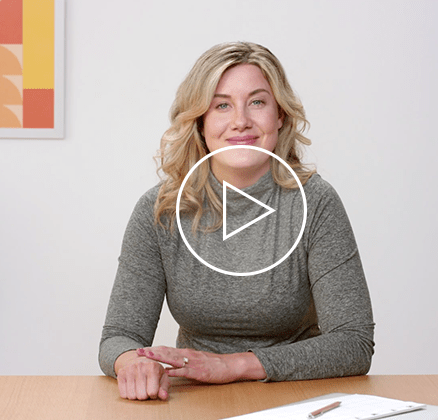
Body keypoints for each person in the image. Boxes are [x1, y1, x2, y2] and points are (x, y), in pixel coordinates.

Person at [99, 41, 374, 401]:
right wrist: (132, 362)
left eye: (257, 102)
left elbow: (353, 343)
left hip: (300, 396)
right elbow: (118, 335)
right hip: (193, 398)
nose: (240, 120)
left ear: (279, 115)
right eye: (222, 105)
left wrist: (233, 365)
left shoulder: (317, 202)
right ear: (199, 120)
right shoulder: (160, 210)